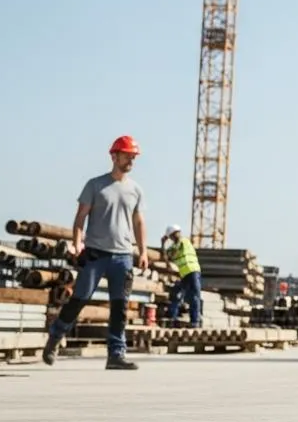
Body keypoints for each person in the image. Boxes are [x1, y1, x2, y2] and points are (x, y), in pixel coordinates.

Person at [43, 135, 150, 370]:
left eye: (133, 156)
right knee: (79, 299)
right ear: (114, 156)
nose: (131, 159)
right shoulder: (95, 185)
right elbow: (80, 217)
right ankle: (55, 337)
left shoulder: (136, 190)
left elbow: (139, 222)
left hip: (123, 256)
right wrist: (77, 243)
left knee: (120, 307)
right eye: (127, 155)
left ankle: (116, 355)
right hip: (95, 253)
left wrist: (142, 251)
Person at [163, 224, 203, 328]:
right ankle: (173, 319)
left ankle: (195, 322)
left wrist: (165, 245)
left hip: (193, 272)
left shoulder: (184, 241)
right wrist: (162, 244)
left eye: (175, 234)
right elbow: (166, 256)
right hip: (184, 274)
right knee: (177, 295)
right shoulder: (174, 246)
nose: (176, 236)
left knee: (194, 296)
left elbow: (173, 253)